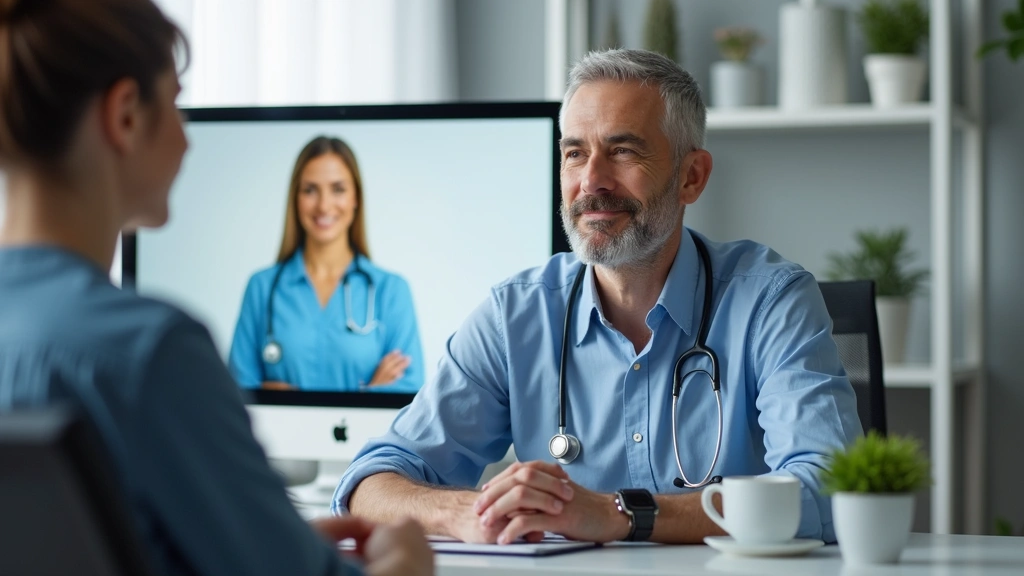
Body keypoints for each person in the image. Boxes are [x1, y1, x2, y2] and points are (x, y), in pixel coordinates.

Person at [332, 48, 863, 546]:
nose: (592, 181)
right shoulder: (515, 315)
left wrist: (617, 514)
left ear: (692, 177)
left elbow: (832, 492)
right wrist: (470, 514)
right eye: (574, 153)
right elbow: (369, 483)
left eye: (623, 151)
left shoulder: (771, 301)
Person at [0, 1, 431, 575]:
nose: (187, 141)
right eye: (176, 106)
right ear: (125, 115)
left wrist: (280, 542)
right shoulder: (150, 351)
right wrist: (405, 563)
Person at [229, 136, 424, 393]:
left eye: (338, 189)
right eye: (310, 190)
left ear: (356, 198)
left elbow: (410, 395)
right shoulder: (262, 287)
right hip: (276, 436)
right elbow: (235, 393)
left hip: (367, 436)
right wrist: (371, 392)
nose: (323, 205)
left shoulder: (391, 290)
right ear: (295, 199)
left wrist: (288, 404)